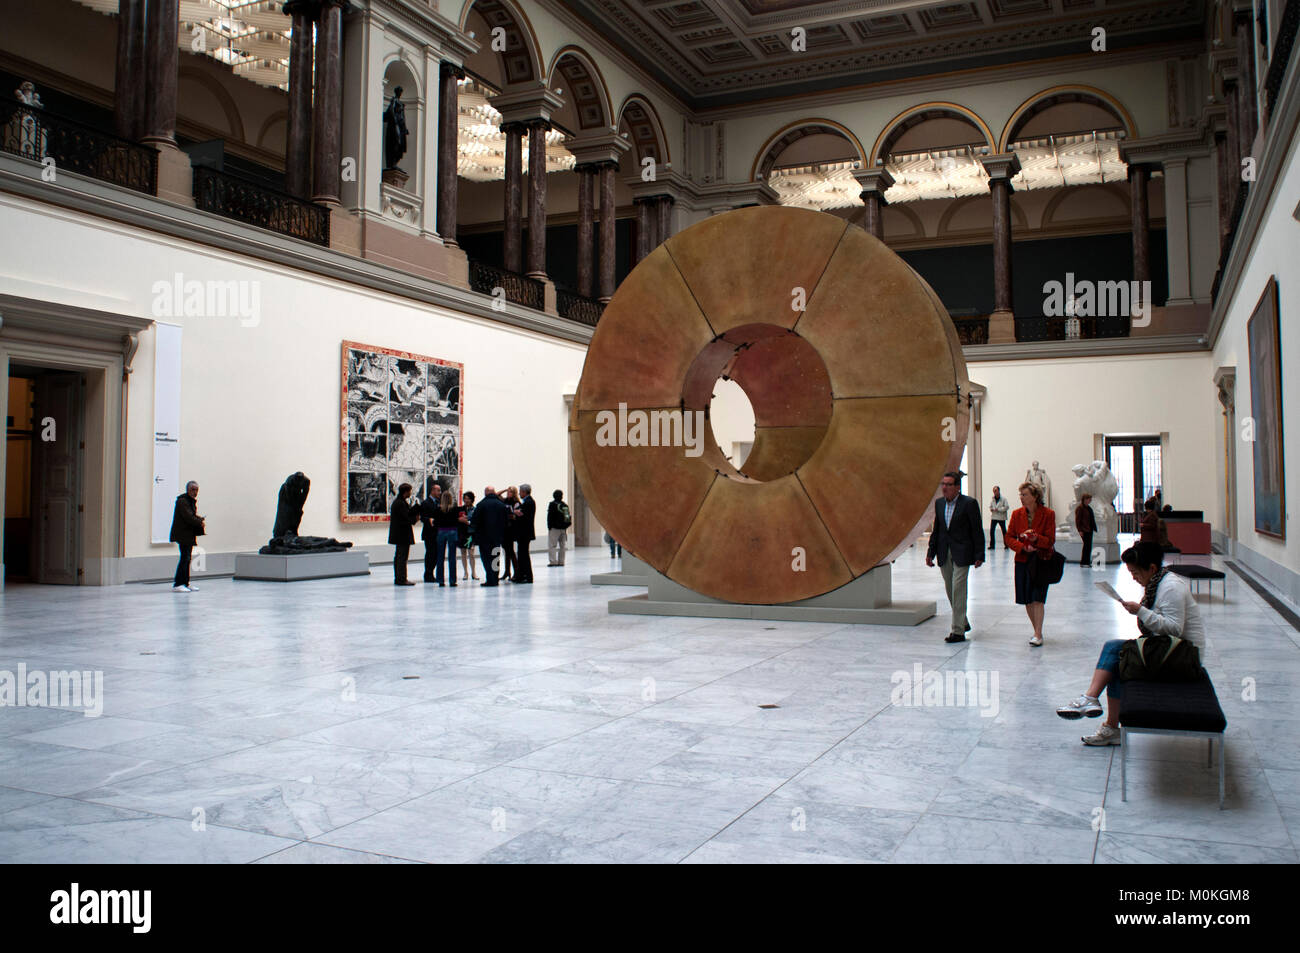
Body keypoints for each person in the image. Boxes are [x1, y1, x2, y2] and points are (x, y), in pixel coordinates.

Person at [1056, 542, 1205, 745]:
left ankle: (1091, 699)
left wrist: (1140, 611)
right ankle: (1110, 726)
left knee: (1117, 648)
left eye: (1135, 572)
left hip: (1183, 658)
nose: (1134, 577)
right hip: (1169, 651)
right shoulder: (1157, 584)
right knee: (1121, 658)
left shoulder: (1171, 587)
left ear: (1151, 568)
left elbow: (1174, 629)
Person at [925, 471, 985, 643]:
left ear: (957, 487)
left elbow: (976, 530)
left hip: (963, 552)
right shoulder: (939, 504)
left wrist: (979, 554)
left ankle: (957, 631)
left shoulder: (969, 504)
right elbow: (937, 530)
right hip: (944, 552)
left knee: (958, 588)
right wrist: (931, 552)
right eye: (942, 484)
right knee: (950, 590)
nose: (944, 488)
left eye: (948, 484)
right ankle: (963, 621)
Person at [1006, 481, 1056, 646]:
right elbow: (1009, 537)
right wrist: (1021, 547)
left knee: (1038, 598)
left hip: (1040, 560)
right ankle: (1037, 630)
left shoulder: (1048, 514)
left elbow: (1050, 540)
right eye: (1020, 494)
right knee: (1027, 598)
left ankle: (1038, 633)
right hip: (1022, 560)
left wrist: (1036, 539)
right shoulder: (1016, 514)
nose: (1021, 497)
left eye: (1025, 494)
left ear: (1035, 497)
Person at [169, 480, 205, 593]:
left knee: (187, 558)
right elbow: (189, 517)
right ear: (187, 490)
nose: (195, 492)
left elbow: (191, 516)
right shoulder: (182, 502)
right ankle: (178, 583)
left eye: (196, 490)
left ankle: (185, 583)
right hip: (183, 534)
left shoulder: (190, 501)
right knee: (185, 558)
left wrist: (198, 520)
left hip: (188, 534)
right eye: (193, 490)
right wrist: (200, 521)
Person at [470, 486, 510, 586]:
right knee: (495, 558)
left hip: (484, 538)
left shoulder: (481, 505)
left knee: (486, 558)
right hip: (497, 538)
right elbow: (506, 522)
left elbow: (475, 521)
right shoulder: (501, 505)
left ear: (486, 493)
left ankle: (490, 579)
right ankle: (495, 578)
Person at [388, 482, 420, 586]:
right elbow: (405, 518)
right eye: (410, 491)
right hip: (402, 534)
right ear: (406, 492)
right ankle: (401, 578)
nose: (410, 493)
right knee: (402, 557)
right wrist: (414, 518)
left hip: (399, 534)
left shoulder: (398, 502)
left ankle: (399, 578)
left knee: (399, 556)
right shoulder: (400, 503)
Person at [432, 490, 462, 586]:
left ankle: (440, 580)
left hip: (441, 532)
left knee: (440, 557)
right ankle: (452, 580)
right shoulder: (454, 509)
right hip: (452, 532)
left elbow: (435, 522)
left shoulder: (438, 509)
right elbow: (457, 521)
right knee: (452, 557)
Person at [419, 482, 443, 583]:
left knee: (436, 554)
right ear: (433, 491)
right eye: (438, 490)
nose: (439, 492)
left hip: (437, 533)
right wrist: (429, 519)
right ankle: (428, 574)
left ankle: (432, 573)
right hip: (429, 533)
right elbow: (422, 517)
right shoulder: (425, 503)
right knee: (430, 554)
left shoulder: (438, 503)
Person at [514, 484, 536, 583]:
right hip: (524, 533)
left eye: (520, 491)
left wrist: (517, 513)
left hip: (524, 533)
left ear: (524, 492)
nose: (519, 493)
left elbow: (524, 515)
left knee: (523, 555)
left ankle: (526, 576)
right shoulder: (527, 502)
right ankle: (522, 575)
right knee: (522, 554)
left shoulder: (529, 502)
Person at [547, 489, 571, 566]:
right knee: (562, 546)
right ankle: (561, 561)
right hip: (563, 529)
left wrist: (549, 526)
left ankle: (553, 561)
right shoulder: (565, 505)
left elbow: (549, 517)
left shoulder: (552, 504)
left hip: (554, 528)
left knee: (552, 545)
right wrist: (565, 527)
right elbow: (568, 518)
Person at [458, 490, 478, 581]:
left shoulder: (475, 510)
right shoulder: (460, 509)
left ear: (472, 499)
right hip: (462, 533)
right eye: (465, 499)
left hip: (470, 533)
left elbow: (475, 521)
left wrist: (468, 521)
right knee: (463, 553)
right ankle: (465, 572)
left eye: (468, 499)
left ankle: (473, 572)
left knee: (471, 552)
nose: (466, 500)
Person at [501, 486, 519, 581]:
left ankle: (516, 571)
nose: (508, 493)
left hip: (511, 528)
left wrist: (512, 515)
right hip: (504, 528)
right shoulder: (504, 501)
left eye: (510, 492)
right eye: (508, 492)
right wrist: (504, 489)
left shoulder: (516, 502)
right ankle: (507, 571)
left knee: (510, 551)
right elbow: (496, 494)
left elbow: (517, 515)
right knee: (506, 551)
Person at [1075, 493, 1097, 567]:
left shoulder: (1088, 508)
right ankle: (1084, 562)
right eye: (1088, 499)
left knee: (1088, 546)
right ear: (1084, 499)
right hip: (1084, 530)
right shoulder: (1080, 508)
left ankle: (1087, 562)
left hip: (1089, 529)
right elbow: (1078, 520)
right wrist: (1080, 530)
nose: (1090, 500)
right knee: (1086, 546)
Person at [988, 485, 1009, 549]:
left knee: (1004, 531)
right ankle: (992, 545)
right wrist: (991, 509)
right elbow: (990, 506)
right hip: (994, 517)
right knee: (992, 531)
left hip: (1001, 517)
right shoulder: (993, 499)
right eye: (994, 491)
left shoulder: (1004, 499)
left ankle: (1006, 544)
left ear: (998, 491)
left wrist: (999, 509)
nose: (994, 492)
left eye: (995, 491)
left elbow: (1006, 507)